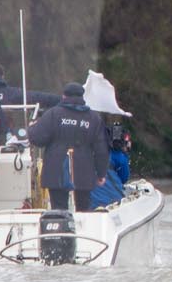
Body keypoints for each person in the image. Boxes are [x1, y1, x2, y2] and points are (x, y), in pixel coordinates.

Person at [26, 82, 110, 214]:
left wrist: (31, 127)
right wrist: (101, 173)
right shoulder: (94, 118)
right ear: (83, 97)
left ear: (63, 96)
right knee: (84, 212)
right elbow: (101, 149)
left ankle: (61, 232)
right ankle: (83, 232)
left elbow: (37, 138)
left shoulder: (53, 114)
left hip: (56, 171)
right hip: (84, 172)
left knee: (59, 212)